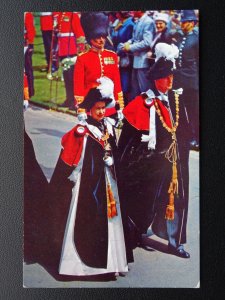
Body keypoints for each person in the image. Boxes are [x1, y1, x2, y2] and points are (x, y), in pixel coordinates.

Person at [49, 78, 131, 277]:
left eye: (103, 108)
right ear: (89, 110)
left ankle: (112, 264)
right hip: (89, 184)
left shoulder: (108, 127)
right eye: (97, 108)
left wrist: (112, 161)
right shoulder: (83, 131)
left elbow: (114, 151)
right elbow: (73, 157)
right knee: (87, 217)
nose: (101, 112)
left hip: (108, 181)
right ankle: (81, 267)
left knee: (112, 219)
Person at [118, 43, 190, 258]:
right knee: (145, 200)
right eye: (166, 77)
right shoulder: (143, 102)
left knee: (176, 199)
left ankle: (174, 240)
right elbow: (128, 142)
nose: (170, 81)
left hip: (175, 162)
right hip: (152, 164)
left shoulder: (177, 99)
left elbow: (184, 130)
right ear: (156, 78)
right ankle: (137, 231)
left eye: (172, 76)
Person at [74, 12, 124, 119]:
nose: (102, 40)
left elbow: (117, 83)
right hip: (90, 105)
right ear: (91, 38)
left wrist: (120, 106)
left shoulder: (112, 56)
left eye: (103, 36)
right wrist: (81, 108)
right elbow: (79, 86)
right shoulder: (83, 58)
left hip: (109, 106)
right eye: (98, 37)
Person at [173, 10, 199, 150]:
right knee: (182, 110)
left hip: (192, 80)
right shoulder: (180, 37)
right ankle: (188, 135)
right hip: (180, 80)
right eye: (182, 22)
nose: (183, 24)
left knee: (194, 110)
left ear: (193, 23)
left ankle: (197, 138)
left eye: (186, 22)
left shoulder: (196, 38)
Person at [120, 10, 155, 99]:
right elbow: (134, 38)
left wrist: (130, 47)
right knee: (135, 90)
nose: (131, 11)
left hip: (143, 61)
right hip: (137, 60)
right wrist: (127, 44)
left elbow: (147, 42)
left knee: (144, 90)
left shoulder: (148, 21)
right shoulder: (139, 20)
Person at [55, 12, 86, 110]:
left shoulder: (73, 15)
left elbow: (79, 32)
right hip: (62, 49)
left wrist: (80, 48)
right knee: (66, 76)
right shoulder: (60, 14)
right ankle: (68, 99)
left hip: (70, 48)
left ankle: (74, 101)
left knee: (72, 77)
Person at [111, 11, 135, 105]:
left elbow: (127, 41)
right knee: (120, 81)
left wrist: (119, 52)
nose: (116, 15)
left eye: (117, 13)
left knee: (126, 83)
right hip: (119, 55)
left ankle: (125, 105)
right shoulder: (120, 23)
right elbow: (114, 39)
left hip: (126, 57)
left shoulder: (129, 25)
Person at [24, 12, 36, 98]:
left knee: (27, 69)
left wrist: (30, 44)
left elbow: (31, 30)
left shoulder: (27, 14)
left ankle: (30, 91)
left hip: (26, 45)